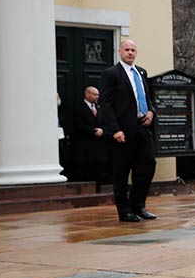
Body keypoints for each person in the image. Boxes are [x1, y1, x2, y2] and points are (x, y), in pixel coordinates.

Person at [99, 40, 157, 223]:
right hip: (122, 131)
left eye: (133, 50)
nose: (130, 53)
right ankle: (124, 211)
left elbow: (148, 97)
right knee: (121, 172)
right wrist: (115, 129)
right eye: (127, 50)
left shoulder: (141, 72)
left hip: (142, 127)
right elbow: (106, 104)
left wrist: (151, 112)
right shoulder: (111, 74)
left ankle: (138, 205)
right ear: (120, 51)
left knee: (148, 165)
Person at [66, 86, 107, 187]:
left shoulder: (100, 107)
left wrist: (103, 130)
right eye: (95, 94)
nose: (97, 97)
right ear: (87, 94)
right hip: (85, 144)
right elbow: (78, 124)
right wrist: (92, 131)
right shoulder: (78, 107)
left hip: (99, 144)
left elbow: (105, 121)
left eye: (98, 95)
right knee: (85, 168)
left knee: (99, 167)